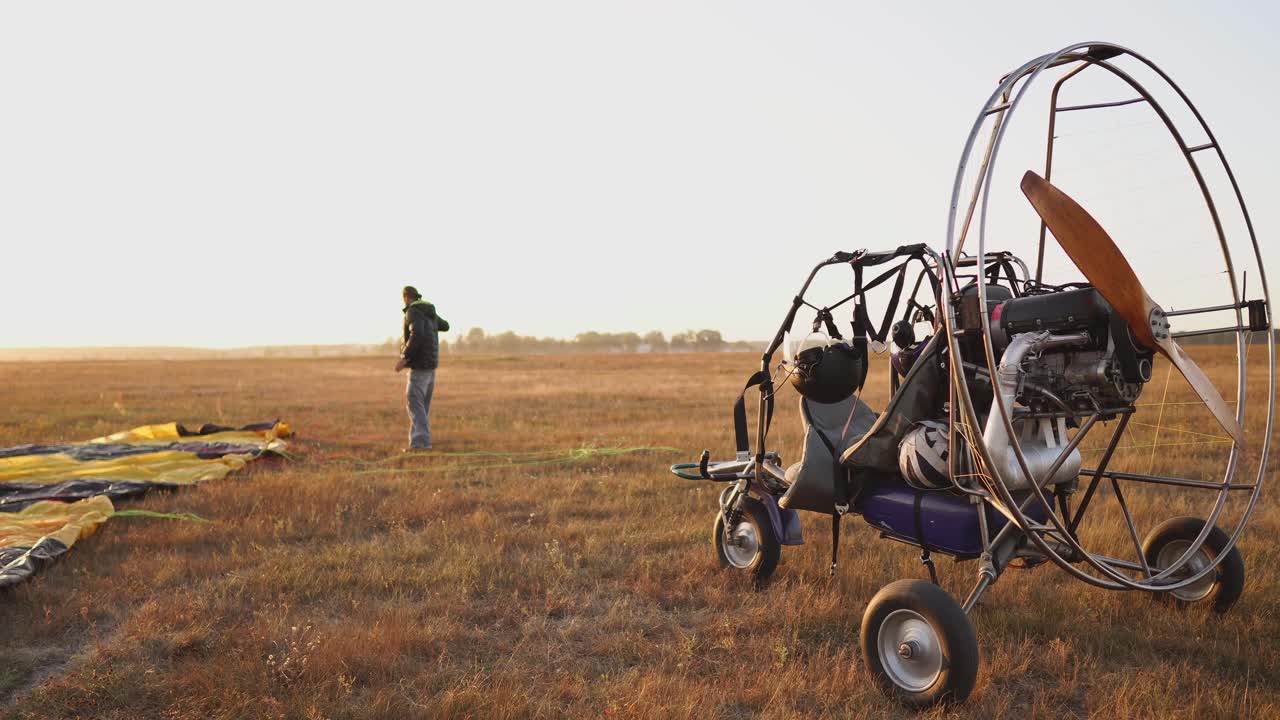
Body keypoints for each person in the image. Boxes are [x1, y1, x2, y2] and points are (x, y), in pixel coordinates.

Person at [395, 286, 449, 451]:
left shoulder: (413, 311)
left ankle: (421, 444)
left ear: (406, 297)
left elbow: (416, 334)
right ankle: (419, 442)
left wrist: (404, 357)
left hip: (419, 366)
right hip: (431, 366)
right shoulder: (428, 311)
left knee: (415, 404)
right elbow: (445, 326)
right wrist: (432, 322)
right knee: (421, 406)